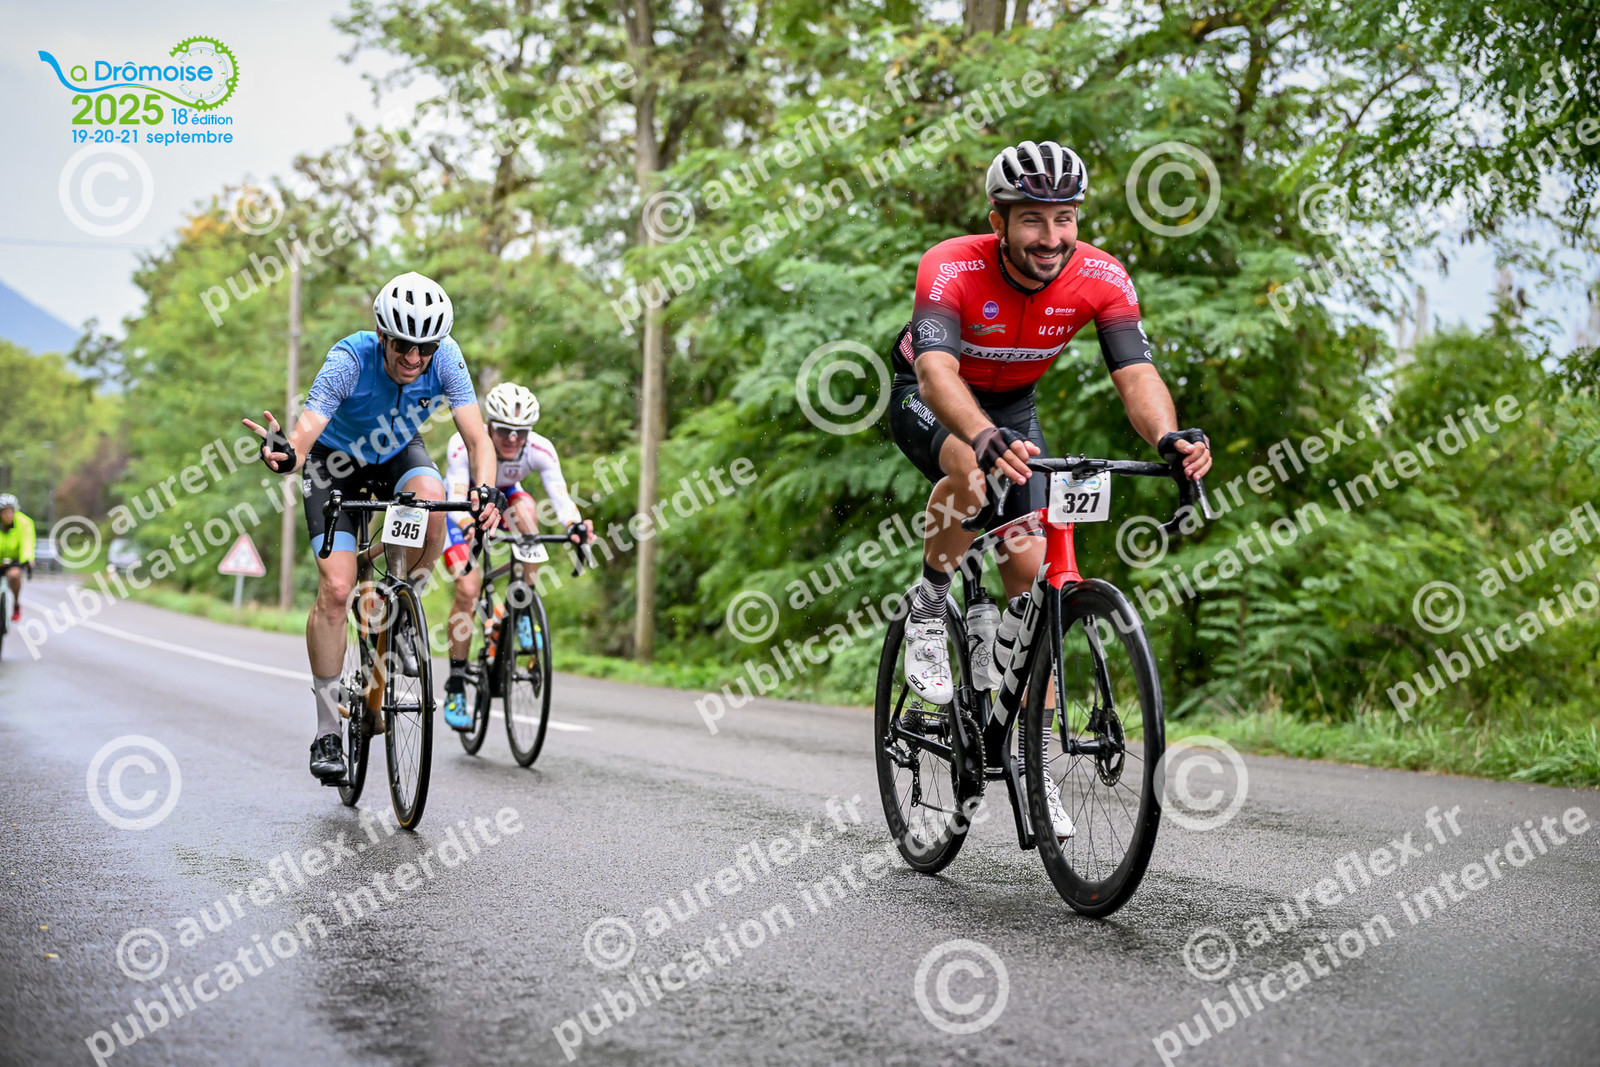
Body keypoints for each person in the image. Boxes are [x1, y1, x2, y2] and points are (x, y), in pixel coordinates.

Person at [886, 139, 1212, 837]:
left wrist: (1167, 437)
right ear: (998, 221)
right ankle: (930, 603)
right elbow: (938, 372)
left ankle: (1030, 756)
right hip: (932, 393)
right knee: (972, 473)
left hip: (1013, 409)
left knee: (1034, 582)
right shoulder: (952, 265)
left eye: (1065, 218)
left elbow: (1136, 374)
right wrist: (979, 434)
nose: (1051, 236)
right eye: (1033, 219)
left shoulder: (1101, 274)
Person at [242, 272, 505, 783]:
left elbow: (478, 439)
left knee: (434, 502)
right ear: (383, 336)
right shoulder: (348, 359)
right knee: (337, 591)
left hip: (397, 455)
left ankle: (401, 607)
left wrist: (487, 489)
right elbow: (303, 439)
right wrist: (285, 455)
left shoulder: (447, 358)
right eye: (403, 345)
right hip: (334, 464)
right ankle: (327, 731)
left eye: (425, 348)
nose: (414, 358)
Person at [438, 381, 593, 729]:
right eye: (504, 430)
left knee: (527, 513)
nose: (512, 439)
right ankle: (457, 685)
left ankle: (519, 608)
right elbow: (456, 496)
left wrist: (575, 525)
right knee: (468, 591)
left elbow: (560, 496)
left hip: (504, 498)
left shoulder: (540, 448)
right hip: (462, 510)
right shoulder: (464, 444)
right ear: (490, 425)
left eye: (520, 432)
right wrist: (468, 523)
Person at [0, 494, 35, 622]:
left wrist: (27, 558)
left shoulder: (24, 522)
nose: (8, 515)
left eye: (10, 511)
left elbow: (27, 542)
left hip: (14, 560)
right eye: (4, 512)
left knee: (14, 575)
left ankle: (16, 603)